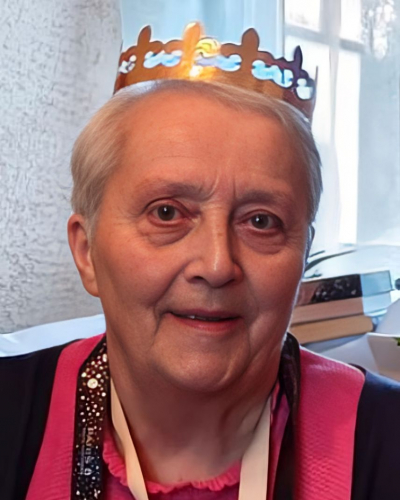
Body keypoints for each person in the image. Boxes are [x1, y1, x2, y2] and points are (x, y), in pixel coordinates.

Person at [1, 36, 400, 500]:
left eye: (261, 221)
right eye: (166, 213)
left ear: (304, 260)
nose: (216, 265)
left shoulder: (386, 437)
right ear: (87, 251)